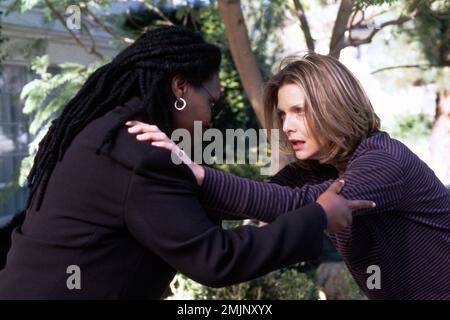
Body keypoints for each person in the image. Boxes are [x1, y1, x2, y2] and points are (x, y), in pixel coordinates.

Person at [0, 27, 372, 299]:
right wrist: (318, 217)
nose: (212, 118)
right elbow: (216, 259)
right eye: (212, 101)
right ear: (180, 89)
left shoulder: (112, 131)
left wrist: (193, 172)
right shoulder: (140, 151)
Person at [127, 53, 450, 299]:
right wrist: (168, 175)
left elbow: (298, 204)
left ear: (334, 106)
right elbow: (251, 200)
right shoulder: (319, 168)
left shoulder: (385, 161)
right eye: (282, 114)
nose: (287, 126)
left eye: (299, 111)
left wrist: (193, 170)